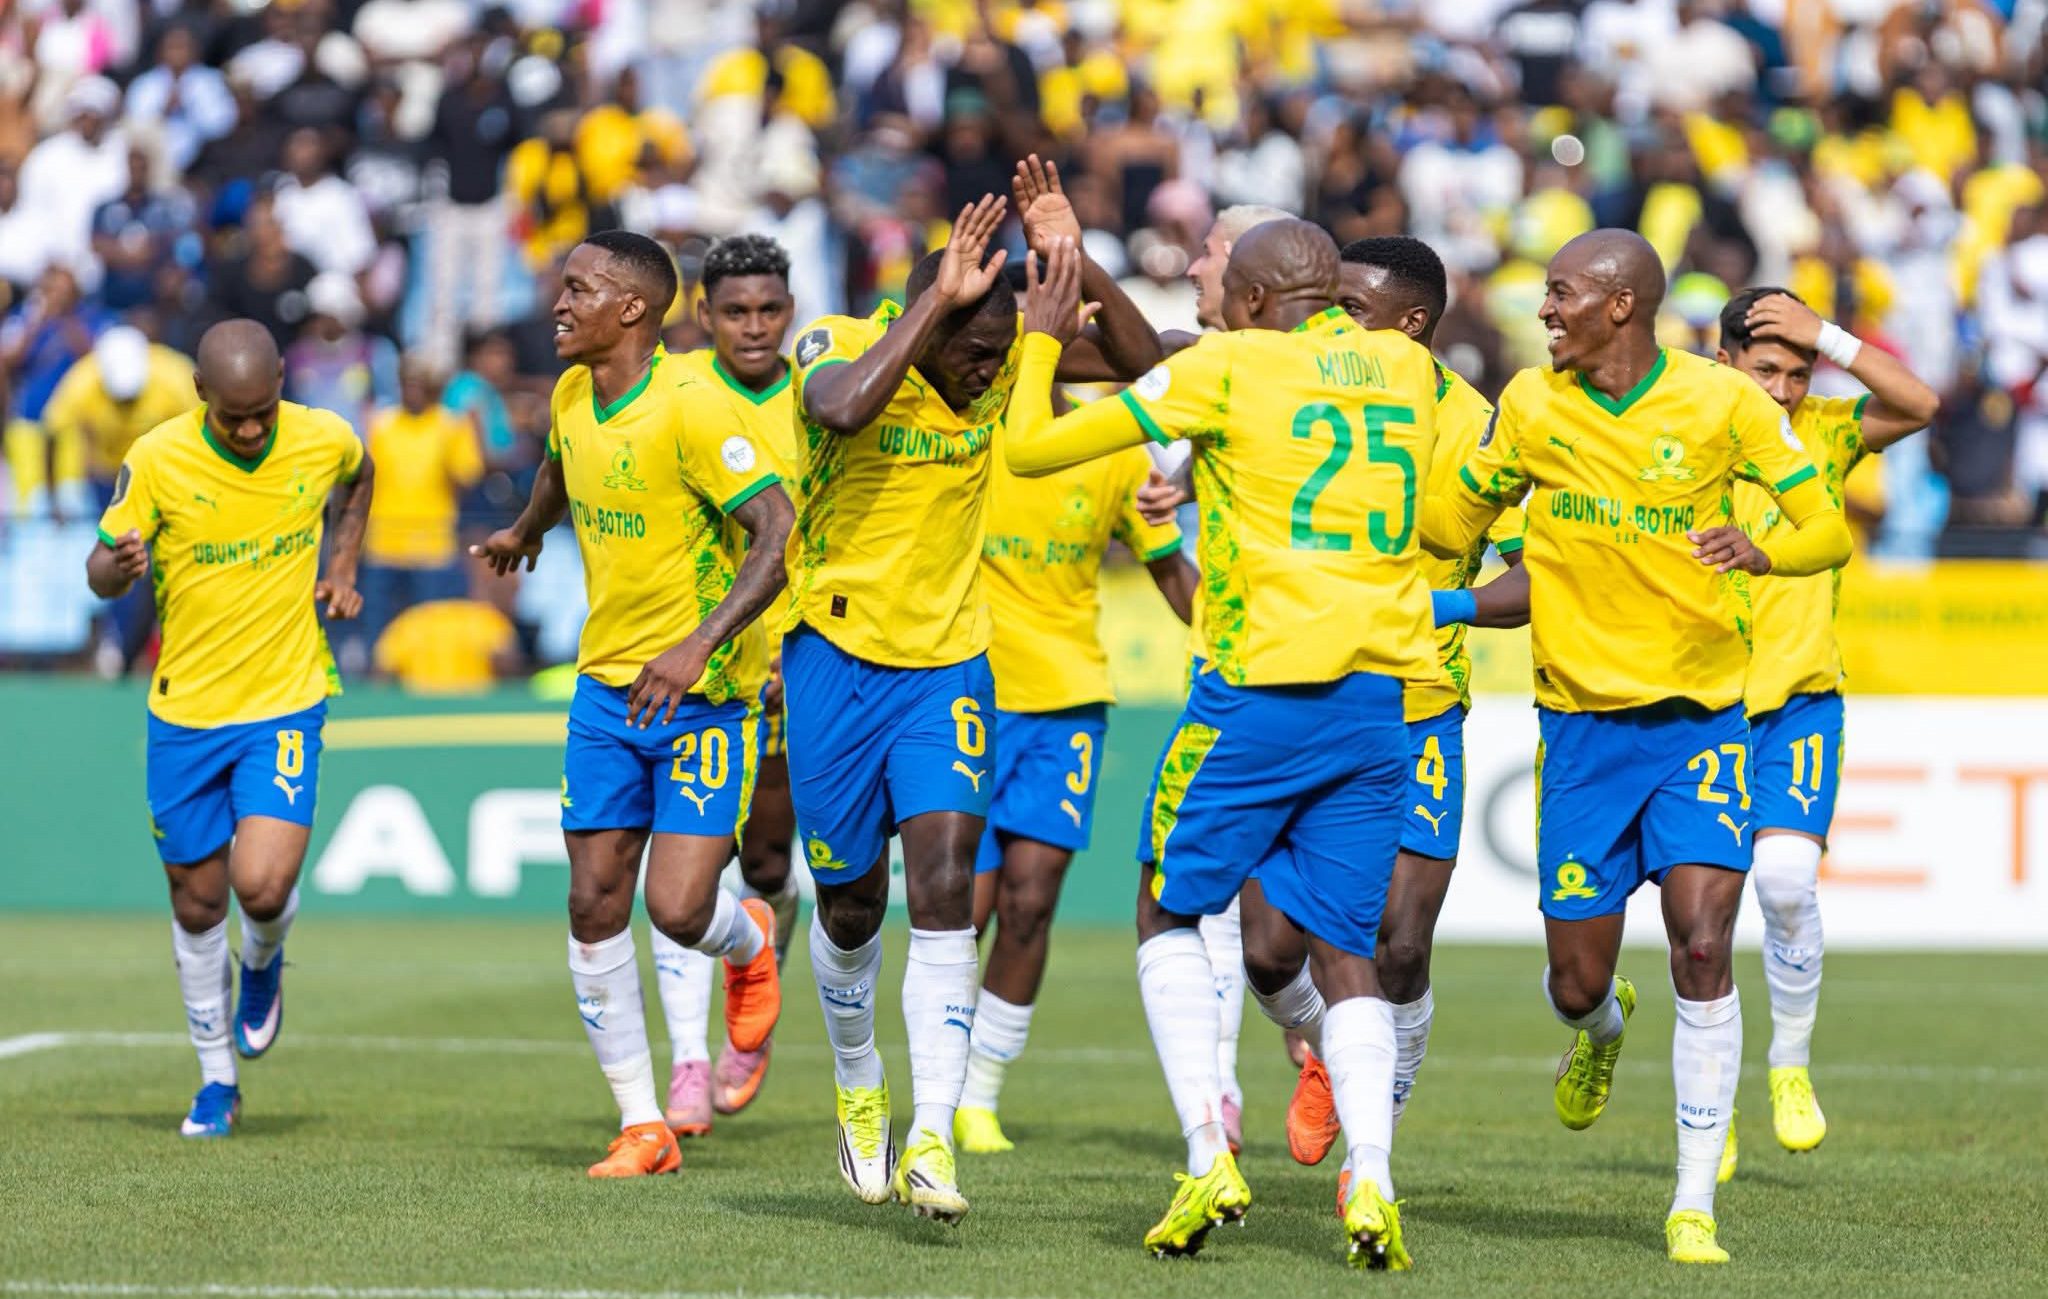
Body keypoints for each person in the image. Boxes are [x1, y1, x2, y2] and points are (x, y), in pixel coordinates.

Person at [1005, 224, 1443, 1269]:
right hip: (1376, 701)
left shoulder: (1227, 365)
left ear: (1244, 300)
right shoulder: (1405, 367)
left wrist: (1036, 341)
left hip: (1254, 698)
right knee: (1345, 950)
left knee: (1165, 901)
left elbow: (1029, 446)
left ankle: (1207, 1148)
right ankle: (1372, 1181)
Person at [1419, 229, 1855, 1265]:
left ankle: (1690, 1204)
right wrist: (1456, 516)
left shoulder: (1723, 404)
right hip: (1576, 733)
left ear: (1619, 304)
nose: (1545, 311)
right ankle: (1598, 1029)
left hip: (1698, 724)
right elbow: (1453, 521)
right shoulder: (1528, 405)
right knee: (1575, 982)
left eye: (1560, 294)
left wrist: (1762, 547)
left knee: (1702, 944)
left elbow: (1826, 533)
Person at [787, 186, 1160, 1223]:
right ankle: (859, 1084)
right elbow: (840, 408)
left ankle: (934, 1135)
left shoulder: (999, 370)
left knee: (947, 882)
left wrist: (1073, 265)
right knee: (850, 903)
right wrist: (937, 305)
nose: (992, 371)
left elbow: (1148, 361)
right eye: (976, 350)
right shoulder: (840, 341)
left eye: (1004, 353)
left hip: (949, 666)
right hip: (829, 656)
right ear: (935, 318)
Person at [1155, 237, 1531, 1197]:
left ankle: (1376, 1138)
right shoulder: (1296, 379)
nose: (1329, 322)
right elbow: (1169, 359)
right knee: (1270, 952)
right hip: (1302, 691)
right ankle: (1327, 1044)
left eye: (1352, 308)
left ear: (1411, 324)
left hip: (1418, 706)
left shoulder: (1477, 426)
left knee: (1397, 942)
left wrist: (1429, 608)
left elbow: (1525, 583)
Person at [471, 229, 795, 1179]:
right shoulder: (575, 391)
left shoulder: (695, 405)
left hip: (704, 700)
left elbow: (777, 533)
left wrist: (700, 645)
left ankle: (752, 938)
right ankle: (643, 1123)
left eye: (578, 288)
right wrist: (529, 529)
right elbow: (563, 467)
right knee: (591, 899)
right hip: (604, 688)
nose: (558, 302)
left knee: (680, 908)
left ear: (632, 311)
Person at [83, 318, 374, 1139]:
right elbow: (99, 568)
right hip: (184, 711)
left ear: (283, 379)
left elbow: (362, 477)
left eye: (263, 410)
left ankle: (265, 958)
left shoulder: (323, 437)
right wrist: (118, 568)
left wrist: (343, 562)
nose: (250, 430)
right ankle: (217, 1081)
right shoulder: (158, 456)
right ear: (201, 395)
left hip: (283, 699)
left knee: (263, 886)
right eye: (232, 415)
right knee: (198, 899)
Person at [955, 329, 1198, 1157]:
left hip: (1067, 703)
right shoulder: (965, 435)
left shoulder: (1113, 452)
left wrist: (1244, 626)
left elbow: (1174, 575)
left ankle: (979, 1097)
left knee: (1029, 903)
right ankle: (939, 1080)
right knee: (966, 910)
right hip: (965, 699)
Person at [1712, 286, 1937, 1177]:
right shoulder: (1685, 433)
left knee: (1785, 881)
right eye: (1767, 367)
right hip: (1701, 703)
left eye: (1798, 372)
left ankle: (1789, 1066)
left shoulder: (1828, 434)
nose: (1785, 388)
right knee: (1705, 916)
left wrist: (1831, 337)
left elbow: (1920, 404)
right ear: (1724, 362)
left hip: (1801, 698)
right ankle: (1711, 1101)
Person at [647, 233, 803, 1135]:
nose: (754, 327)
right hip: (688, 665)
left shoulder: (817, 399)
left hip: (793, 662)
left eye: (770, 310)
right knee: (682, 876)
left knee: (768, 863)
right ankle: (691, 1063)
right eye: (735, 311)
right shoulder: (673, 394)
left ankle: (757, 974)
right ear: (701, 314)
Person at [355, 356, 484, 656]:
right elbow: (363, 478)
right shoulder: (381, 423)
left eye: (419, 384)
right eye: (407, 383)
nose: (412, 391)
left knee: (429, 628)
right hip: (384, 543)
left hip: (432, 545)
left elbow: (468, 477)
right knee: (379, 631)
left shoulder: (449, 425)